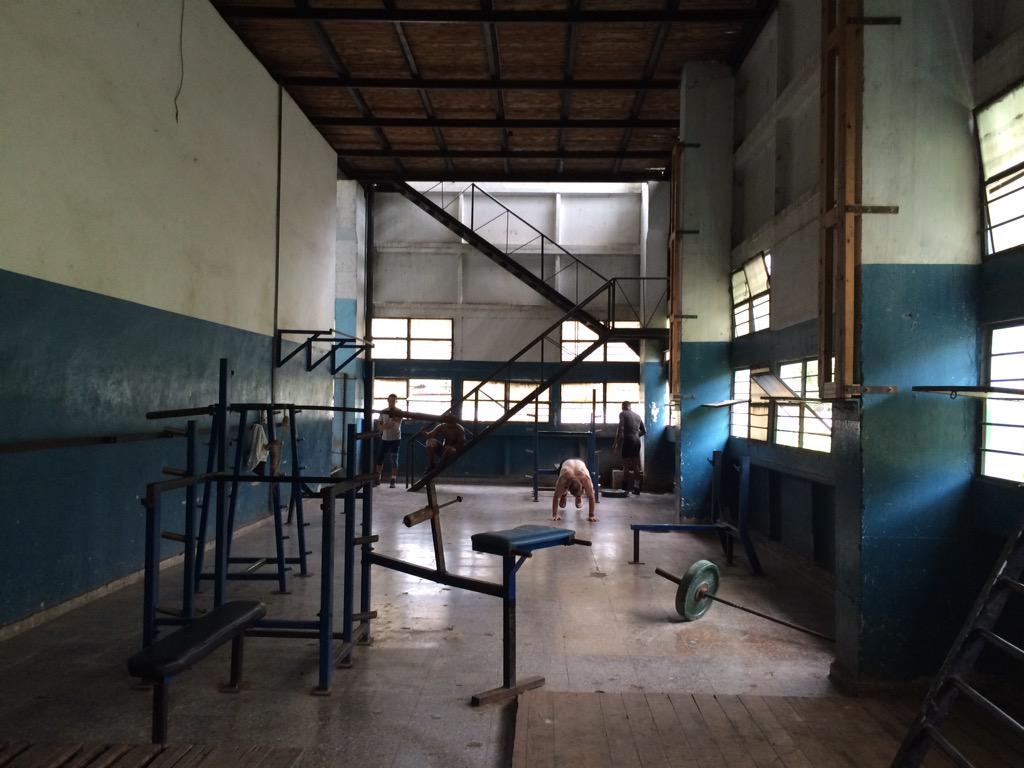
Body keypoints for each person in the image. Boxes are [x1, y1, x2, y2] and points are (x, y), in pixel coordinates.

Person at [613, 400, 646, 495]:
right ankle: (636, 488)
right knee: (636, 465)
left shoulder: (622, 414)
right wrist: (635, 435)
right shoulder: (638, 416)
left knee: (626, 466)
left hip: (628, 440)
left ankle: (625, 489)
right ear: (630, 407)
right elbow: (644, 431)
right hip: (637, 441)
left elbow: (621, 428)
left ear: (623, 406)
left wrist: (616, 443)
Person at [552, 458, 597, 523]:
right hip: (566, 461)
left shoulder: (585, 478)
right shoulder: (564, 478)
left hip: (580, 461)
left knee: (588, 489)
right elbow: (556, 496)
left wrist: (591, 515)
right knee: (561, 489)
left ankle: (578, 496)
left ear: (582, 484)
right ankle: (564, 495)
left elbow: (591, 496)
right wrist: (555, 514)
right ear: (568, 488)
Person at [375, 394, 404, 487]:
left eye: (394, 401)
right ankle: (378, 478)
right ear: (388, 400)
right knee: (380, 459)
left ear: (396, 401)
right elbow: (379, 426)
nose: (392, 402)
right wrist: (382, 427)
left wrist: (383, 426)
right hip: (385, 439)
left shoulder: (399, 412)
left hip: (395, 439)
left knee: (394, 459)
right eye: (390, 400)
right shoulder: (383, 412)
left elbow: (394, 424)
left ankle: (393, 479)